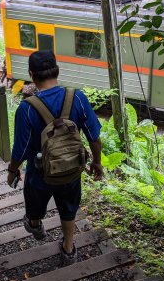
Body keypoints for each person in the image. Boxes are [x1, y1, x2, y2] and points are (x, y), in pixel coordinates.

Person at [6, 50, 104, 265]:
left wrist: (12, 171)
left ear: (32, 75)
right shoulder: (77, 97)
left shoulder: (27, 108)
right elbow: (94, 137)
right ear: (57, 70)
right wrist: (97, 162)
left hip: (39, 174)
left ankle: (35, 224)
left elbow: (20, 150)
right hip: (70, 170)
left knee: (34, 205)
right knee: (68, 208)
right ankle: (68, 250)